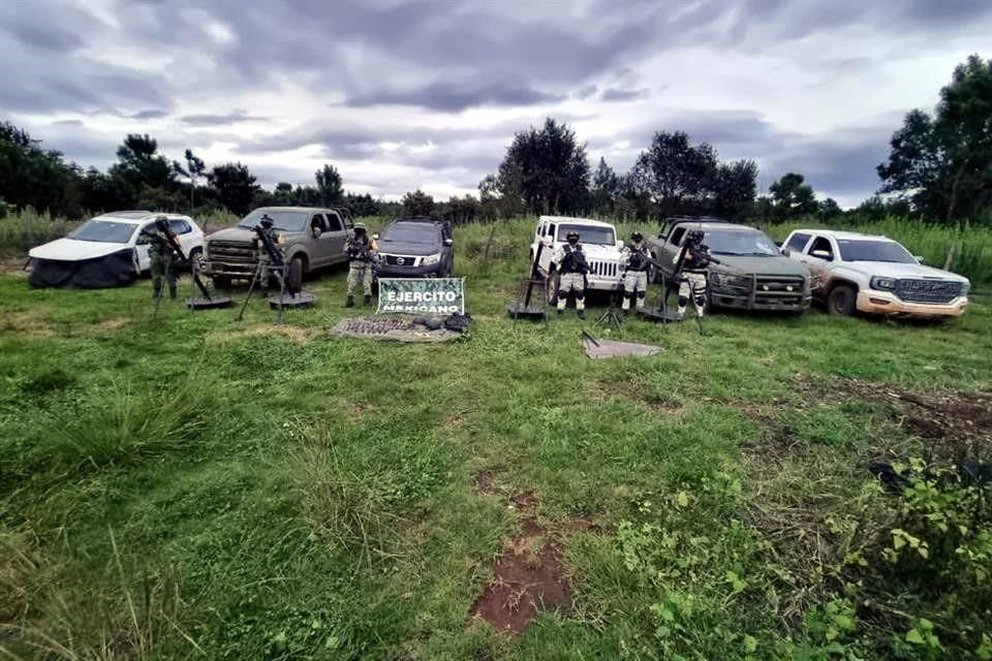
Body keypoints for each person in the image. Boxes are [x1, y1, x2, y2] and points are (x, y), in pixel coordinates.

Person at [674, 229, 710, 318]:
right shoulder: (685, 248)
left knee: (700, 298)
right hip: (687, 274)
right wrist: (685, 257)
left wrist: (697, 258)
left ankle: (699, 314)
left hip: (700, 275)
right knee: (683, 297)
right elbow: (675, 260)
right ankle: (680, 313)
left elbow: (707, 261)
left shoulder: (705, 249)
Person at [553, 231, 588, 318]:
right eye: (571, 238)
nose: (573, 240)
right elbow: (556, 260)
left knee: (580, 293)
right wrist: (563, 263)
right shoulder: (562, 248)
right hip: (567, 273)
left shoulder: (581, 249)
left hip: (578, 274)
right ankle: (560, 310)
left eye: (575, 238)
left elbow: (584, 260)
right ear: (568, 239)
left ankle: (580, 311)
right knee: (563, 293)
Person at [345, 222, 378, 307]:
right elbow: (345, 249)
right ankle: (350, 301)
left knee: (367, 282)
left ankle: (367, 301)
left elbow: (375, 249)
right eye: (358, 230)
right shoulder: (351, 239)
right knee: (351, 282)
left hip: (366, 264)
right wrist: (352, 249)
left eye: (361, 230)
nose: (359, 232)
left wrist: (368, 253)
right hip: (355, 264)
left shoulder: (369, 240)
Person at [148, 215, 178, 300]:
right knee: (156, 275)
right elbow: (146, 239)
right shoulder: (154, 233)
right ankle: (157, 293)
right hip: (156, 254)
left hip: (167, 255)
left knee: (170, 275)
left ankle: (173, 294)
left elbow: (177, 245)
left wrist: (166, 242)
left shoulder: (171, 233)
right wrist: (153, 239)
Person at [620, 231, 651, 314]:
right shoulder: (628, 248)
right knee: (628, 292)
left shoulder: (645, 249)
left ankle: (640, 309)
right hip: (631, 272)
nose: (636, 241)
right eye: (635, 239)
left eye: (638, 239)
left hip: (642, 273)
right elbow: (622, 259)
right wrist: (630, 257)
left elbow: (649, 260)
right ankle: (625, 309)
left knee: (641, 292)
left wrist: (645, 259)